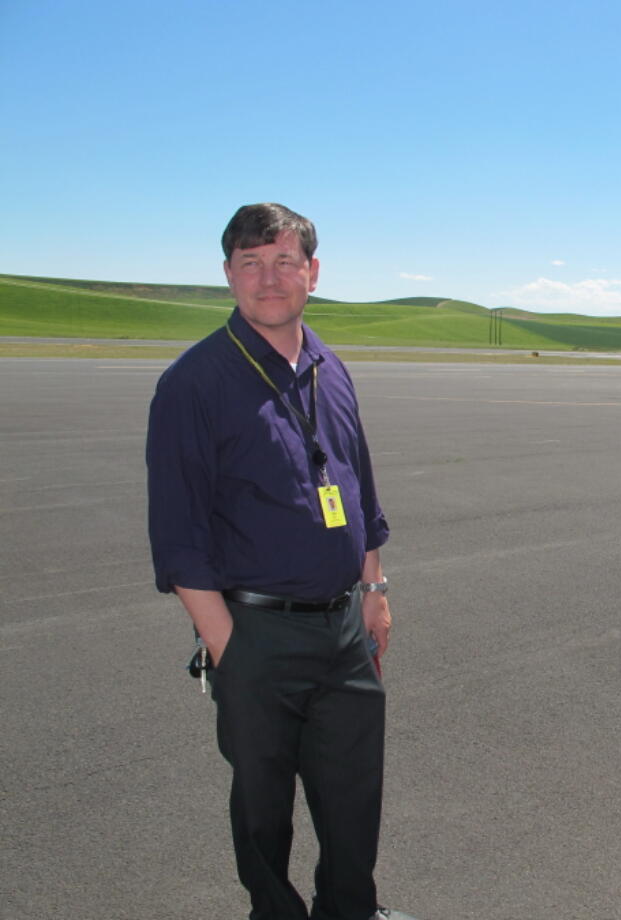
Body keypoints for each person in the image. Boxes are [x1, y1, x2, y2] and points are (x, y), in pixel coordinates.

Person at [146, 203, 415, 920]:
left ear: (313, 273)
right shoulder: (195, 384)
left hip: (344, 631)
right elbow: (177, 537)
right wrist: (228, 646)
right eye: (251, 263)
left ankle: (351, 912)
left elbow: (358, 487)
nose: (269, 278)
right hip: (255, 633)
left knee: (354, 800)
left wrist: (375, 590)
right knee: (264, 813)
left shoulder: (331, 370)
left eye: (284, 261)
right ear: (228, 275)